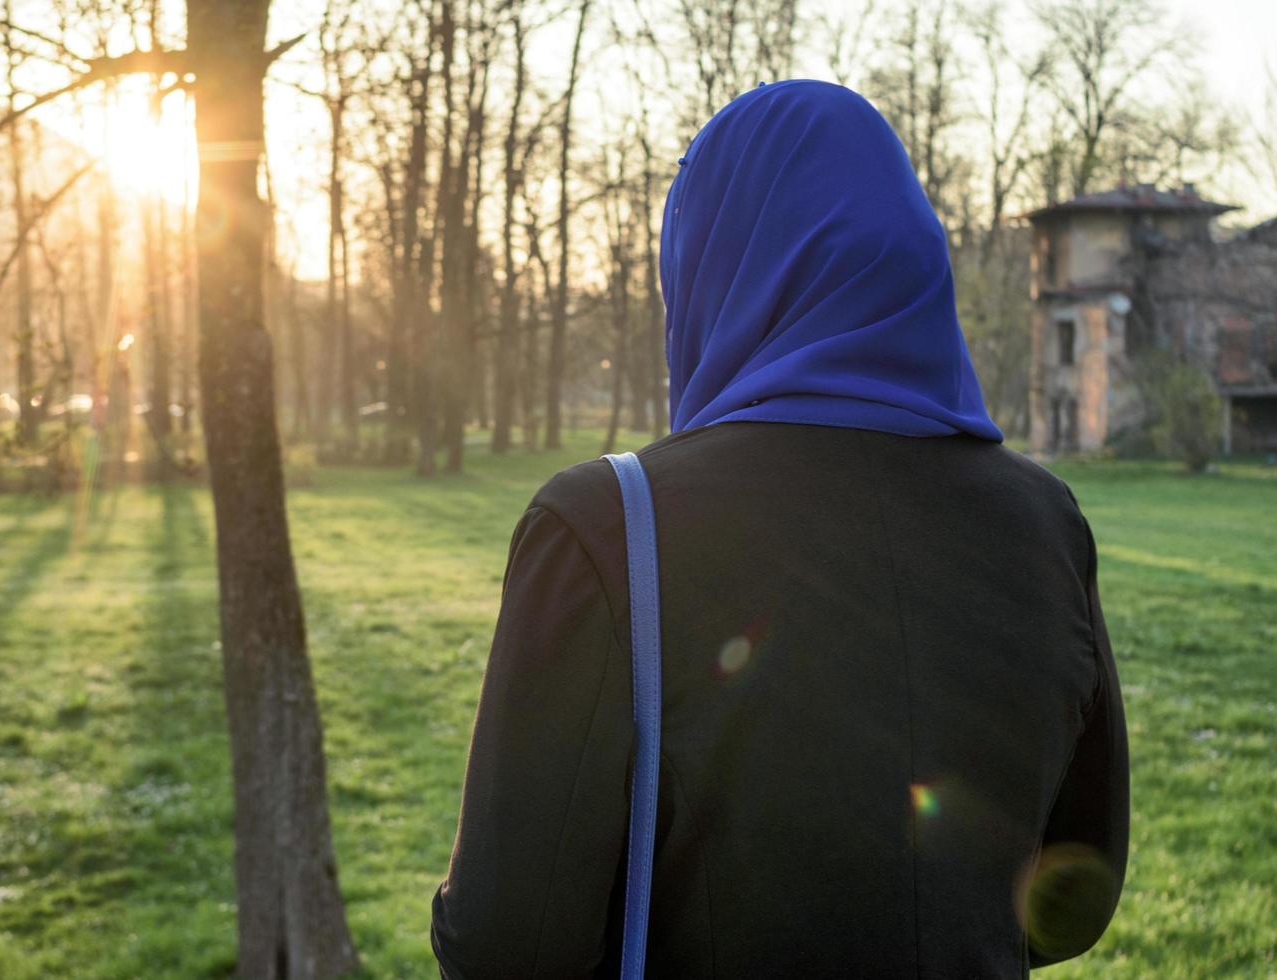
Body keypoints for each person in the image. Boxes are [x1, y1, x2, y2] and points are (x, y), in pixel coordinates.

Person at [431, 80, 1128, 978]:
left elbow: (505, 949)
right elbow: (1075, 897)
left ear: (706, 266)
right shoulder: (1044, 523)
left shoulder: (606, 526)